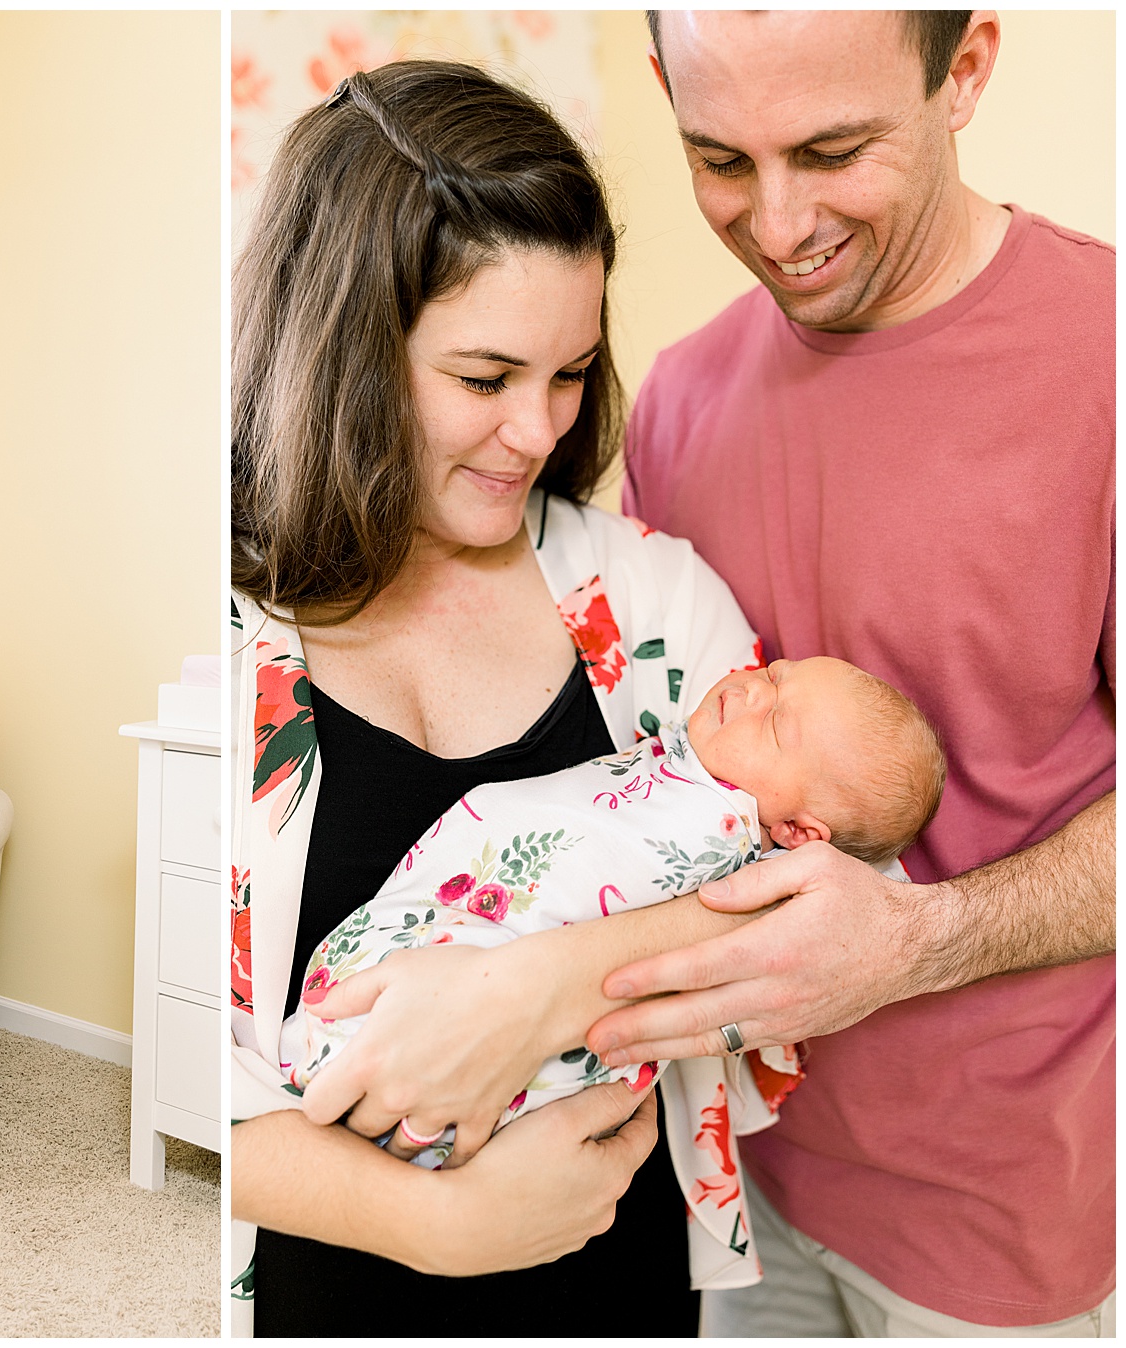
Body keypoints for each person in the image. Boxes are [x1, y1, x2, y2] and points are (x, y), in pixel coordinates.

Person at [231, 60, 798, 1336]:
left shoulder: (653, 602)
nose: (541, 431)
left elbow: (805, 902)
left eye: (572, 373)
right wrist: (433, 1222)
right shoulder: (224, 641)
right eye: (485, 380)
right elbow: (183, 1063)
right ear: (348, 353)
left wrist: (532, 989)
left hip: (620, 1280)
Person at [614, 10, 1115, 1336]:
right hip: (740, 1182)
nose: (777, 226)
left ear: (964, 73)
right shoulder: (673, 404)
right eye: (719, 159)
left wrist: (915, 943)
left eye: (833, 150)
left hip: (1001, 1229)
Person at [284, 657, 945, 1184]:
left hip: (502, 986)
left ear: (799, 831)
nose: (751, 691)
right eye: (776, 673)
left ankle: (360, 1062)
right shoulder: (679, 760)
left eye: (776, 725)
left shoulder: (727, 841)